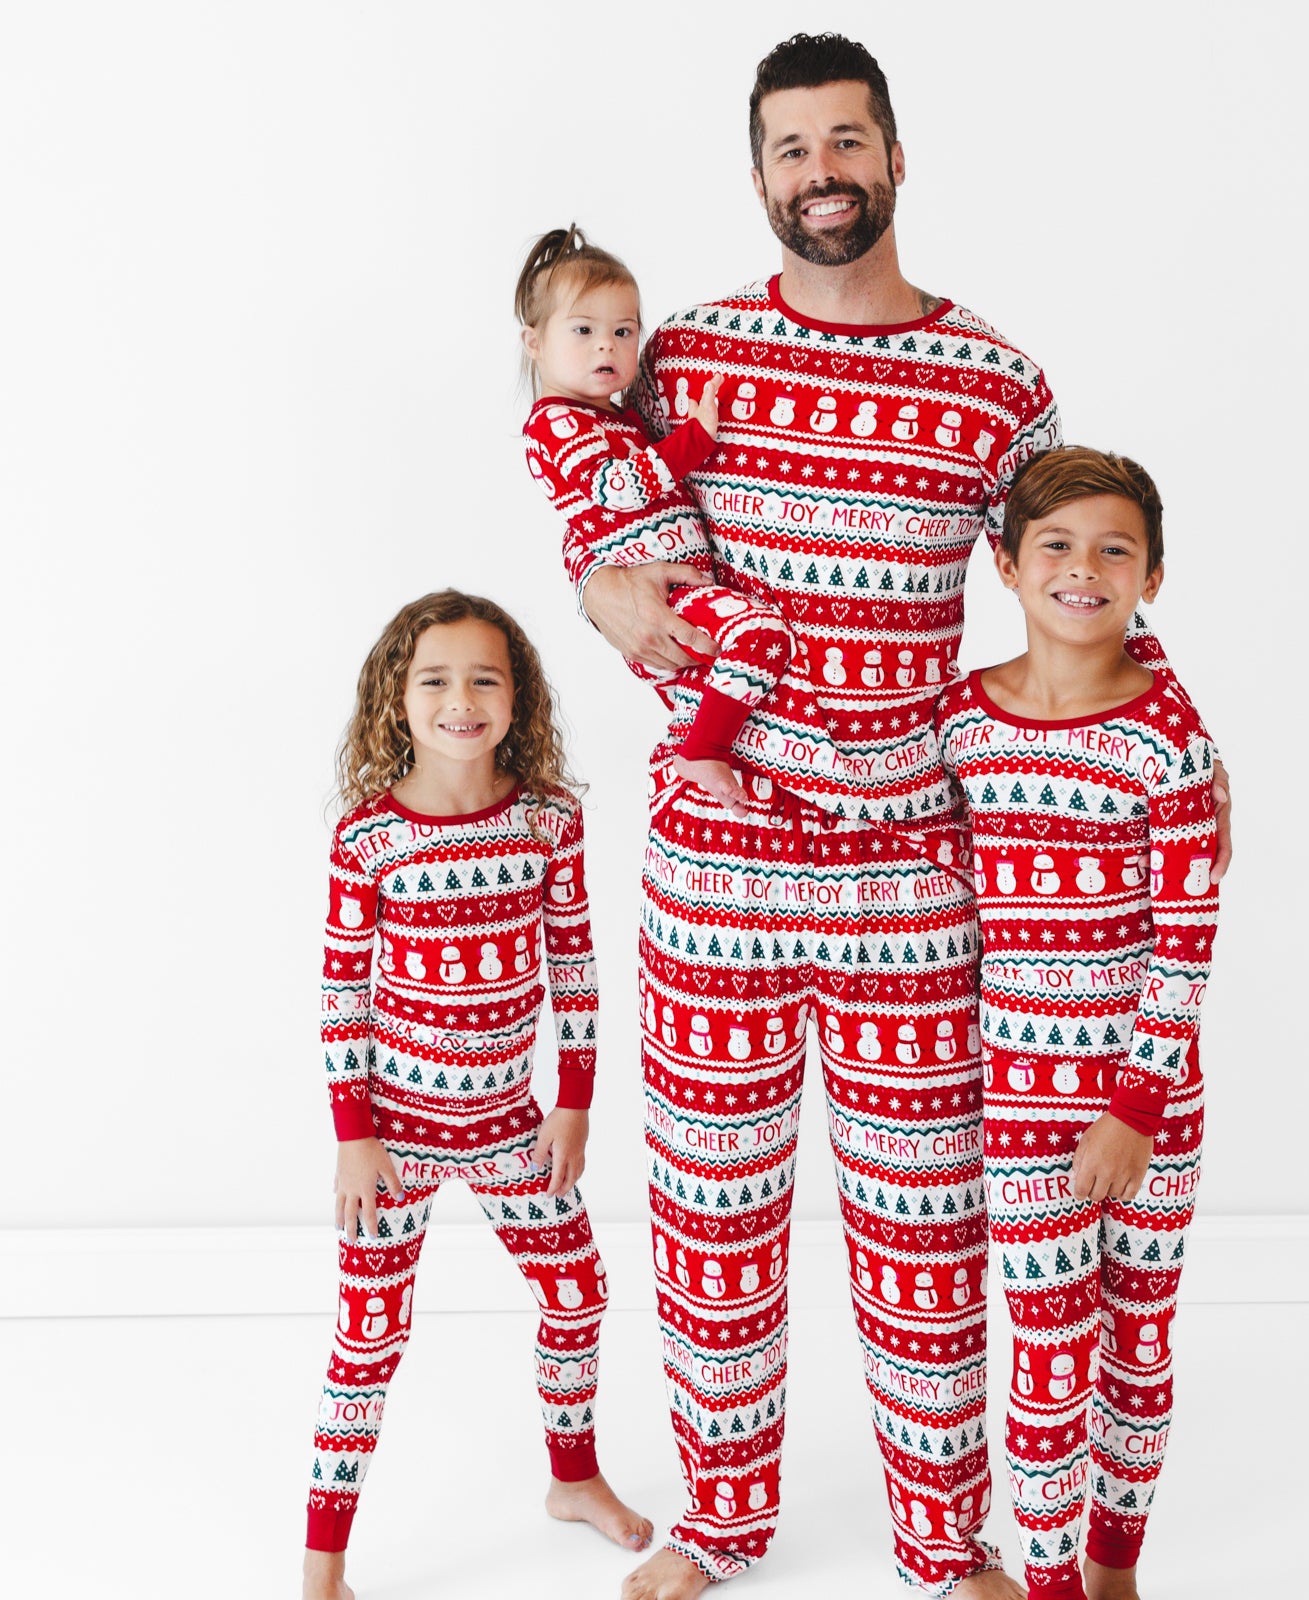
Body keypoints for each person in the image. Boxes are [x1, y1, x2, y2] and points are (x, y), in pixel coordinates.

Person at [573, 34, 1232, 1600]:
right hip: (716, 877)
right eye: (793, 149)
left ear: (898, 155)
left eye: (848, 141)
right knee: (712, 1229)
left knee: (925, 1251)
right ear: (757, 176)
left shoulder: (999, 385)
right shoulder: (686, 356)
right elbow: (591, 488)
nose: (824, 173)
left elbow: (1077, 586)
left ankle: (947, 1546)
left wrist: (1166, 756)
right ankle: (724, 1521)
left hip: (915, 892)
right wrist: (596, 589)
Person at [301, 590, 651, 1600]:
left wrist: (573, 1101)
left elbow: (575, 966)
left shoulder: (548, 817)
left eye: (485, 678)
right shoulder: (369, 837)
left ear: (518, 696)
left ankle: (572, 1477)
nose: (462, 699)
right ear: (395, 699)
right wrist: (354, 1135)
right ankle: (323, 1567)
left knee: (578, 1293)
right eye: (436, 679)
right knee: (369, 1338)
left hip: (510, 1127)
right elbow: (340, 996)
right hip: (395, 1138)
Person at [935, 448, 1219, 1600]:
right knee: (1049, 1365)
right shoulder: (961, 722)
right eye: (1053, 545)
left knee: (1136, 1351)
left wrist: (1132, 1109)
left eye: (1115, 550)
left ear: (1152, 578)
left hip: (1149, 1105)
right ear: (1002, 564)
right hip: (1017, 1105)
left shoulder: (1169, 741)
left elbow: (1186, 942)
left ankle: (1113, 1571)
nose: (1082, 569)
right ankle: (1049, 1584)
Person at [518, 225, 797, 817]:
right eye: (584, 331)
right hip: (663, 597)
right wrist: (693, 440)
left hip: (685, 588)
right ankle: (704, 751)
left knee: (736, 683)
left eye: (624, 332)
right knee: (762, 638)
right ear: (534, 342)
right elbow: (612, 490)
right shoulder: (555, 425)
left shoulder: (621, 418)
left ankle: (712, 756)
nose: (607, 348)